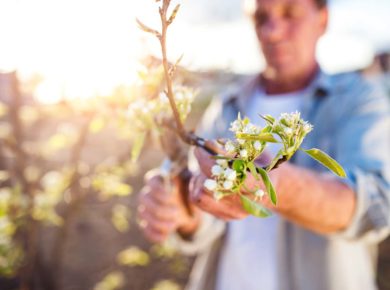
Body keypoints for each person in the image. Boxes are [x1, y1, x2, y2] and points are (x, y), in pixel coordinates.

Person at [137, 0, 390, 289]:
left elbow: (377, 208)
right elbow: (207, 210)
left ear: (322, 20)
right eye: (261, 18)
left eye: (290, 13)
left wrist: (273, 185)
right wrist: (183, 211)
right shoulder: (228, 107)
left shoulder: (358, 99)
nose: (272, 32)